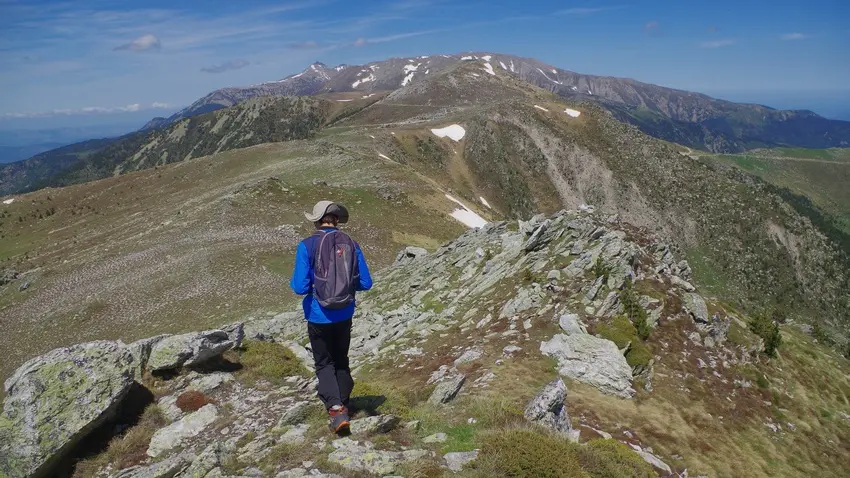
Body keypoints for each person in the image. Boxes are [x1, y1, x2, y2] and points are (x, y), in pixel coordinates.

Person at [290, 200, 373, 433]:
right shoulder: (352, 244)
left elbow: (299, 286)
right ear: (337, 220)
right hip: (345, 313)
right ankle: (344, 404)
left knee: (324, 362)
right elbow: (366, 283)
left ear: (317, 220)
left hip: (318, 315)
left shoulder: (306, 245)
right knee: (341, 360)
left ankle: (336, 409)